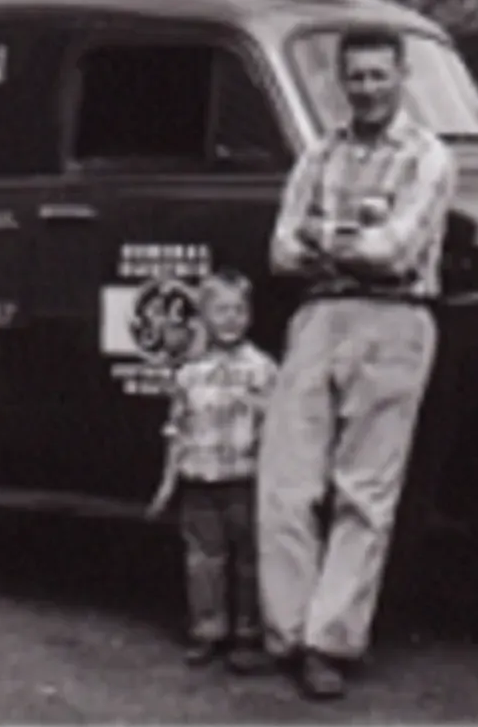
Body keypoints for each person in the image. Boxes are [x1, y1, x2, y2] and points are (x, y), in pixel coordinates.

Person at [257, 25, 458, 700]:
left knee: (363, 492)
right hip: (317, 316)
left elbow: (395, 251)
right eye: (356, 77)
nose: (367, 88)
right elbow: (280, 249)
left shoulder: (428, 156)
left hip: (394, 319)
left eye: (378, 75)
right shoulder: (319, 153)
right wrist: (343, 242)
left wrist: (324, 238)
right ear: (340, 82)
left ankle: (329, 640)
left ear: (401, 77)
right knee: (286, 480)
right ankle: (282, 632)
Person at [147, 269, 279, 674]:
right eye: (221, 310)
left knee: (249, 560)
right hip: (199, 481)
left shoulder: (263, 369)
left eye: (240, 309)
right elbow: (178, 429)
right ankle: (208, 630)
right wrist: (168, 482)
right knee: (204, 560)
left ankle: (247, 633)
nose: (231, 318)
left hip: (245, 479)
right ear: (202, 315)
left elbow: (277, 429)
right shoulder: (188, 373)